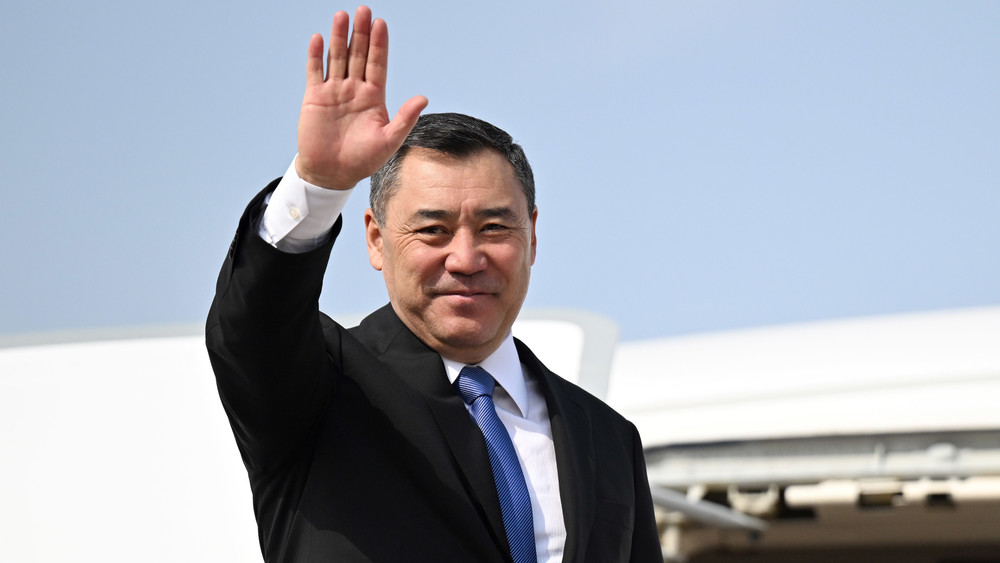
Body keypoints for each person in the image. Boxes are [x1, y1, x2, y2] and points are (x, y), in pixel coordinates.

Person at [206, 6, 660, 563]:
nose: (466, 259)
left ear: (533, 237)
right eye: (433, 230)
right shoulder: (321, 390)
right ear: (376, 240)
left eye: (494, 228)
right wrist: (318, 187)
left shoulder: (607, 438)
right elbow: (252, 328)